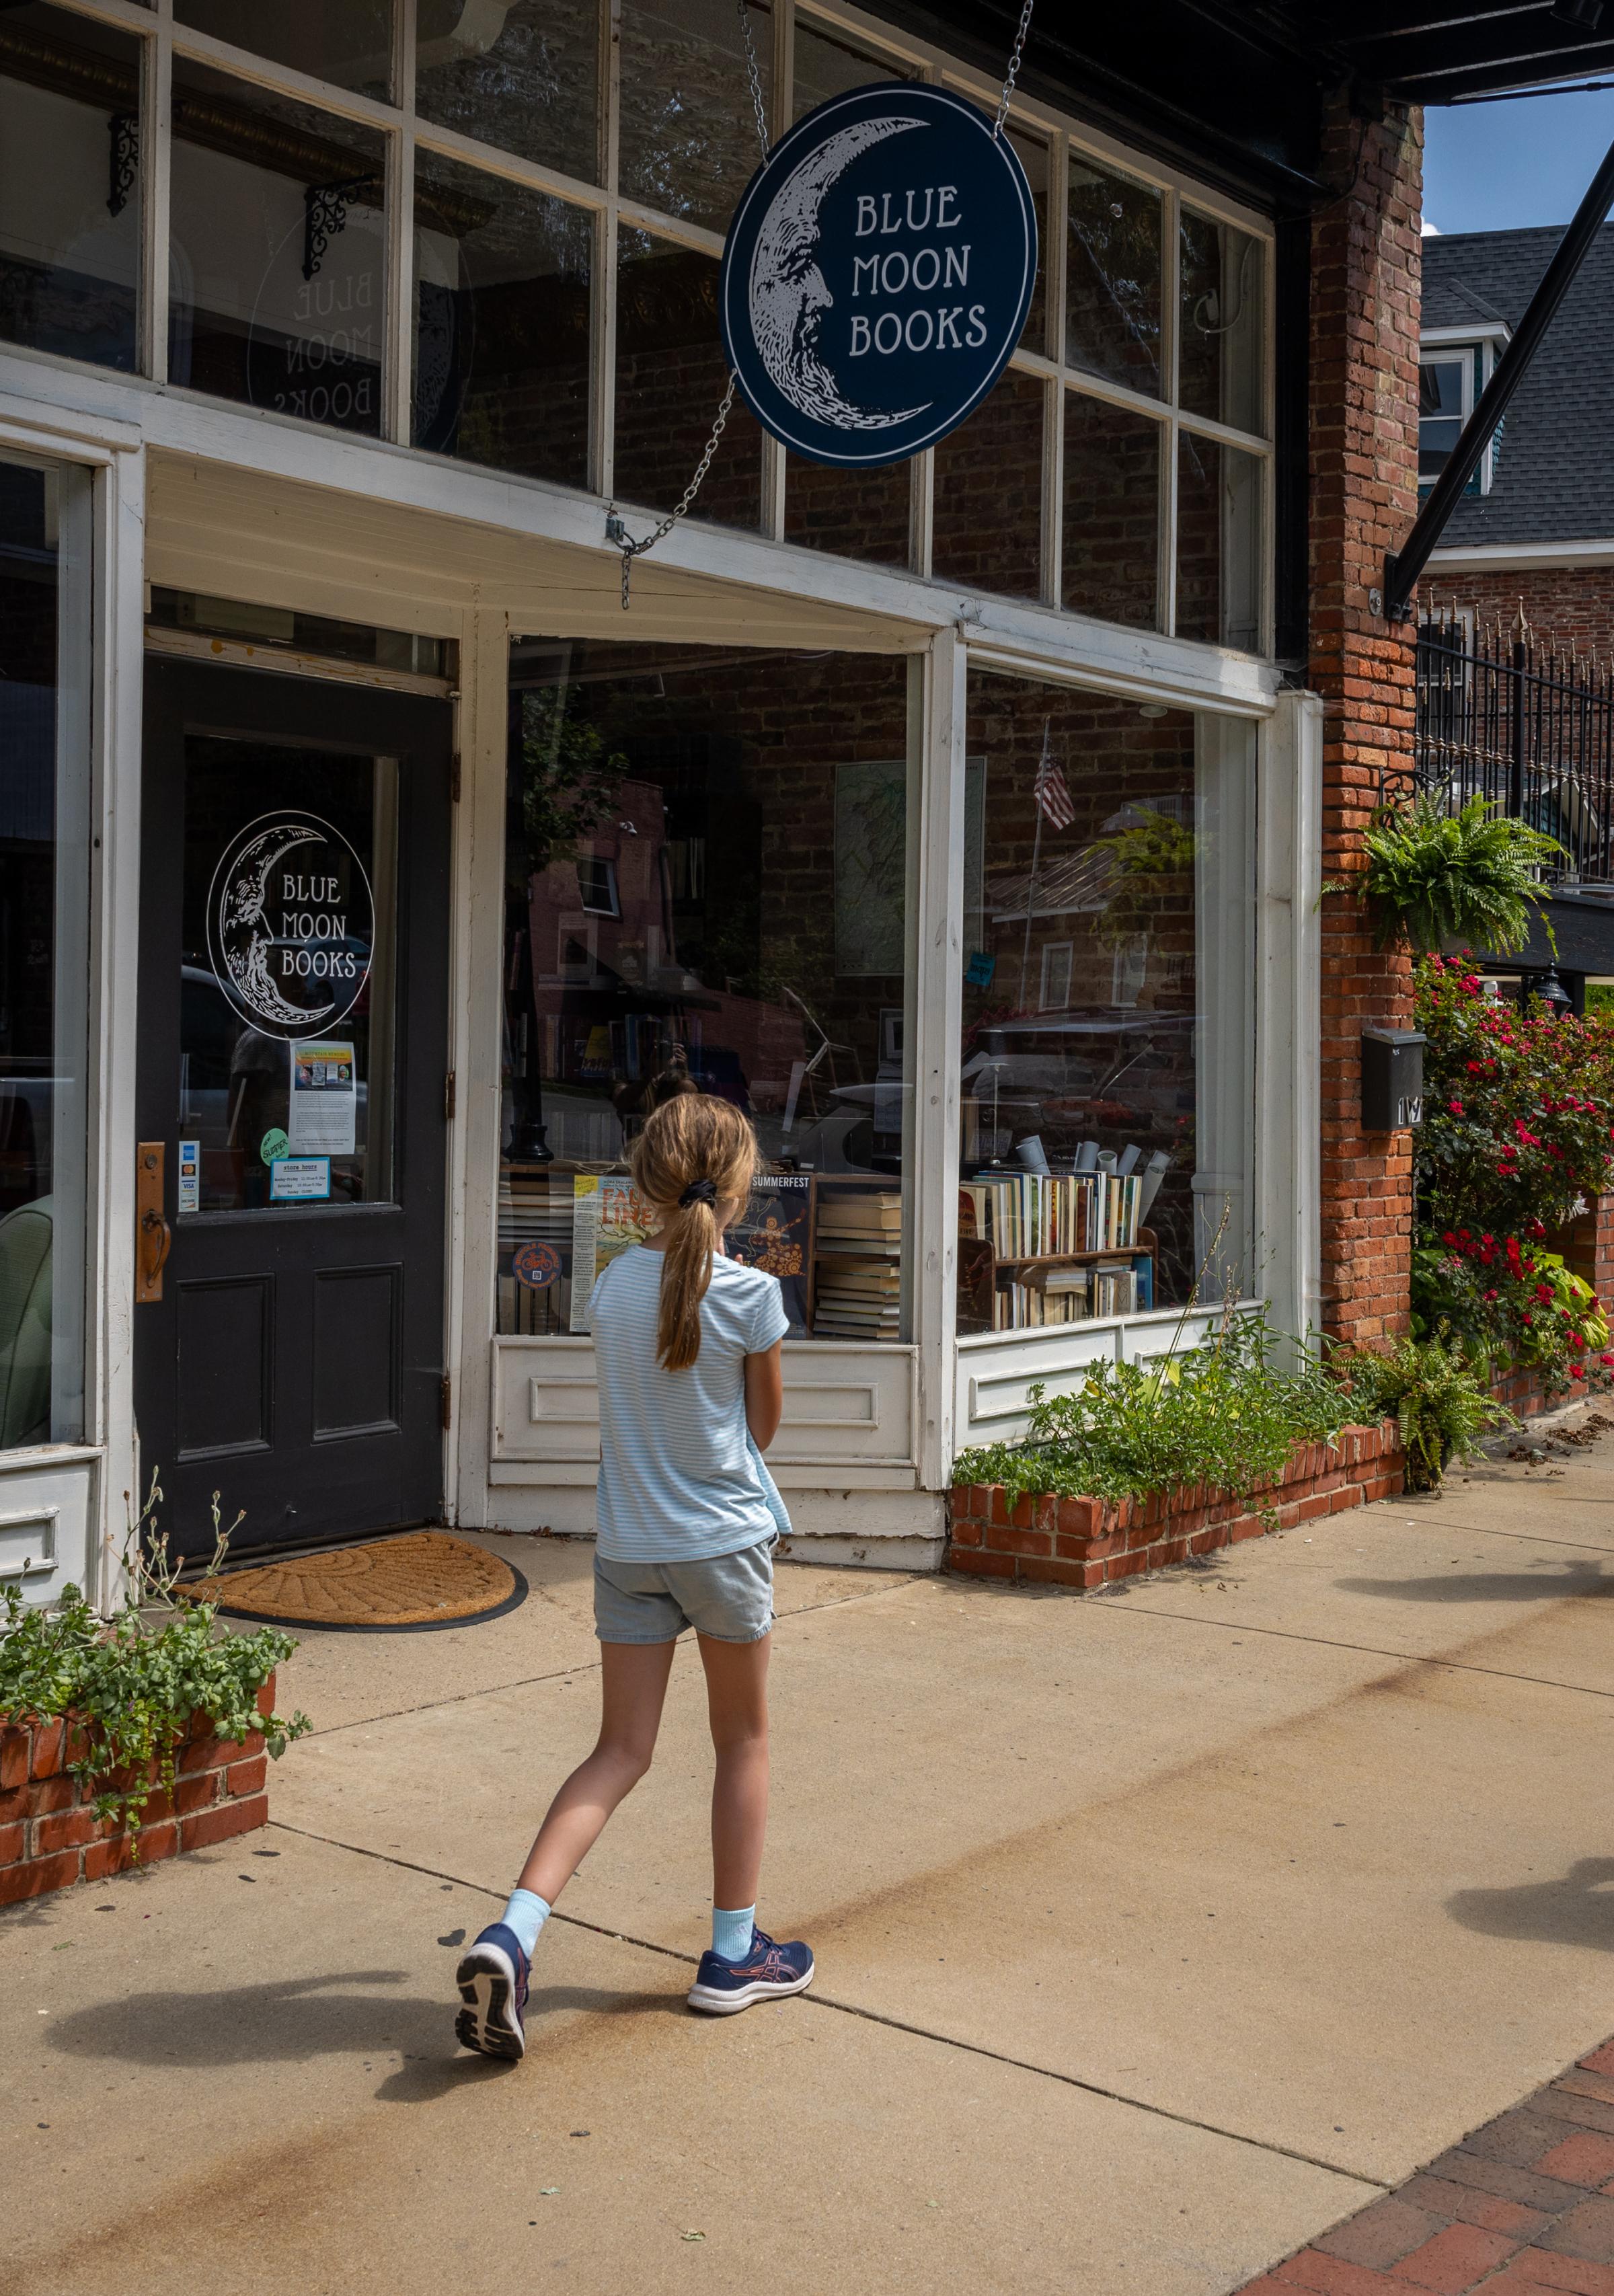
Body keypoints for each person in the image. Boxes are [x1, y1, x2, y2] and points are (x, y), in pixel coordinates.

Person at [453, 1094, 813, 2061]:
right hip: (723, 1546)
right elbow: (762, 1431)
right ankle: (733, 1957)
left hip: (630, 1545)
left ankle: (514, 1931)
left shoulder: (611, 1287)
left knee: (618, 1749)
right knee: (742, 1740)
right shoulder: (754, 1296)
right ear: (740, 1189)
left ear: (643, 1183)